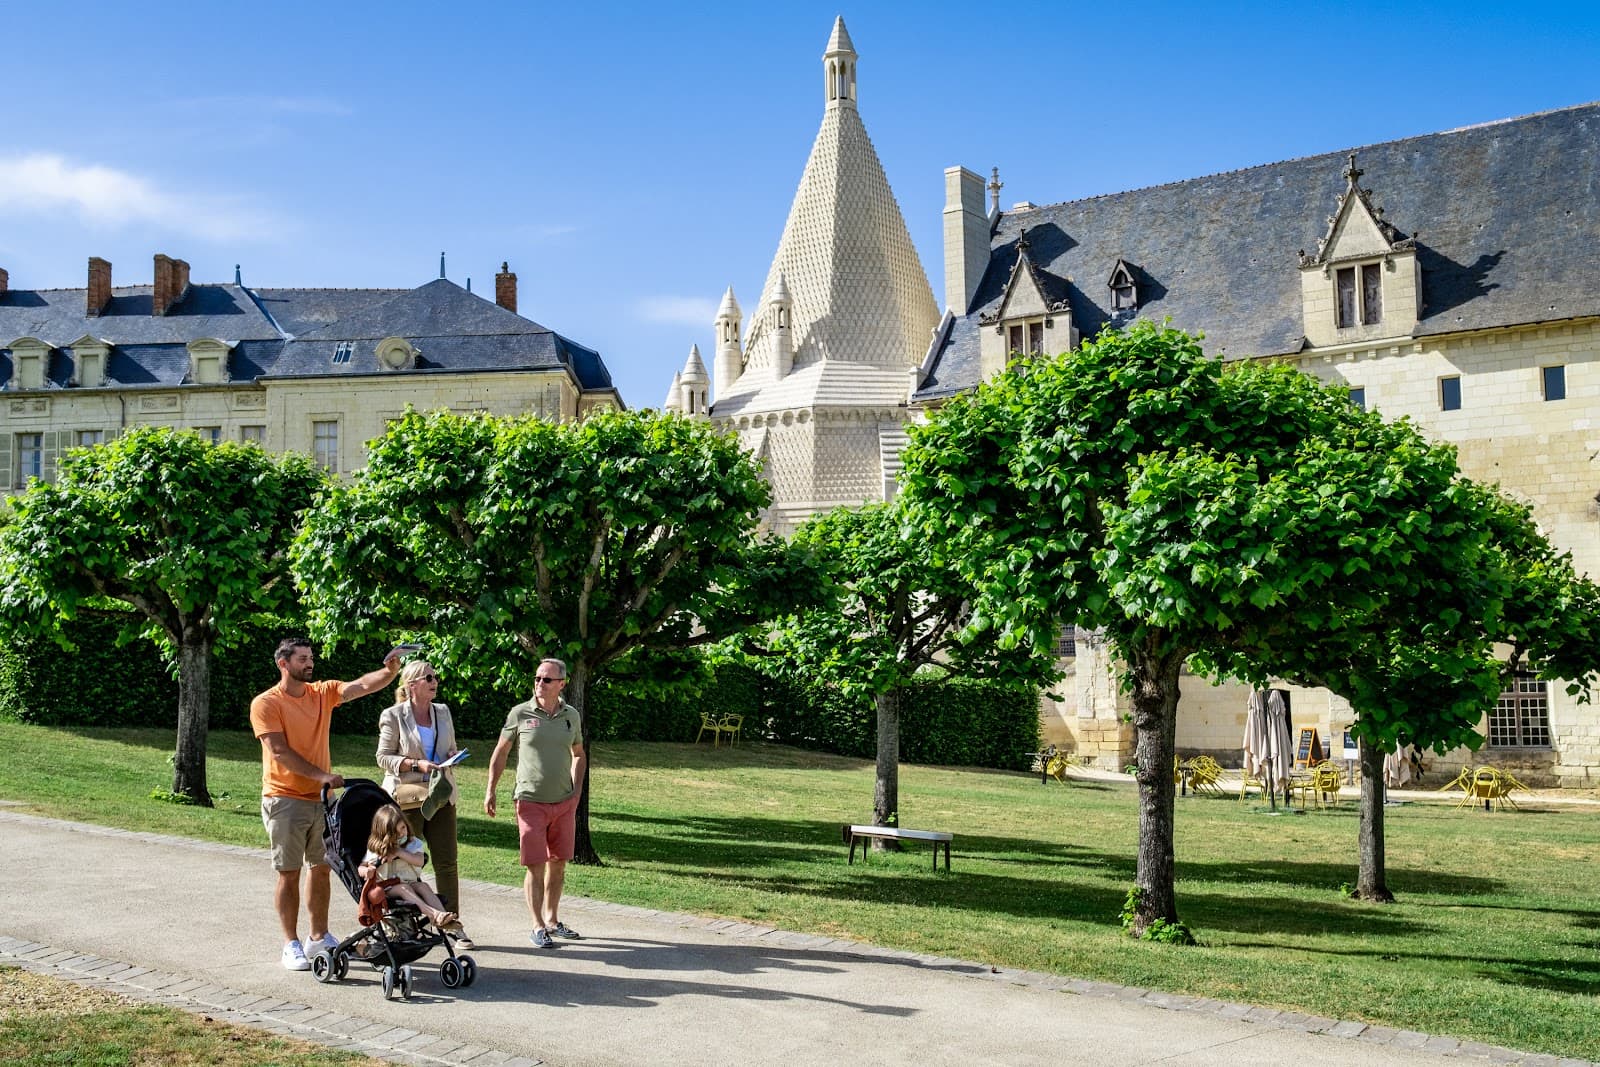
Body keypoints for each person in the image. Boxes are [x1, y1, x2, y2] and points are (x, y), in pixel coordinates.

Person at [251, 637, 402, 971]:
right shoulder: (266, 703)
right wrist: (320, 775)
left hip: (323, 802)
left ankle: (318, 936)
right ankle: (290, 943)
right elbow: (279, 751)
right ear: (283, 663)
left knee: (322, 870)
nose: (310, 663)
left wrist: (389, 672)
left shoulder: (321, 692)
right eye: (303, 659)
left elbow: (360, 685)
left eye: (311, 658)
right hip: (284, 799)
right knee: (288, 873)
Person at [484, 657, 587, 949]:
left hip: (564, 802)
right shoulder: (520, 713)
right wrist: (490, 789)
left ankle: (553, 920)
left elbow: (578, 753)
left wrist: (576, 791)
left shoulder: (571, 716)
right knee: (535, 865)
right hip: (529, 801)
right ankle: (537, 924)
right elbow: (501, 752)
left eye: (547, 679)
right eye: (537, 678)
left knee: (558, 864)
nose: (539, 683)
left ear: (562, 684)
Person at [375, 659, 472, 948]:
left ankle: (453, 925)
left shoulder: (443, 712)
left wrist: (452, 755)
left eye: (435, 676)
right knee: (404, 863)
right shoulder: (393, 715)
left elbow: (447, 747)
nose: (434, 681)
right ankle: (403, 925)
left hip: (441, 795)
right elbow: (383, 758)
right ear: (411, 684)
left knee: (447, 862)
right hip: (406, 800)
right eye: (428, 677)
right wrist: (416, 763)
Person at [360, 803, 459, 928]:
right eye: (396, 833)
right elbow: (361, 867)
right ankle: (434, 914)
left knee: (423, 886)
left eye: (403, 828)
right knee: (403, 888)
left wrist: (399, 852)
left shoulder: (412, 843)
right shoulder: (376, 848)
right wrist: (366, 871)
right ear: (384, 834)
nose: (402, 834)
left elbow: (419, 861)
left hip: (409, 882)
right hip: (387, 888)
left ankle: (444, 918)